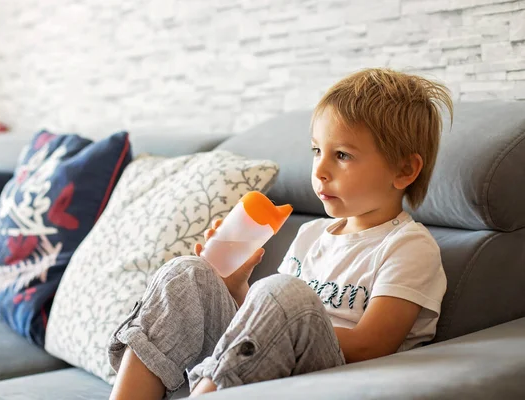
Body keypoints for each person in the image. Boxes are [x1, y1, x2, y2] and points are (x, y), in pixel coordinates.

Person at [107, 68, 453, 400]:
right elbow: (260, 331)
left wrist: (278, 309)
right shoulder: (311, 234)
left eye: (343, 155)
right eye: (317, 151)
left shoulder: (408, 247)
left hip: (334, 376)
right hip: (266, 365)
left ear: (404, 170)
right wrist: (237, 288)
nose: (320, 170)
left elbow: (370, 346)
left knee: (282, 292)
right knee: (185, 273)